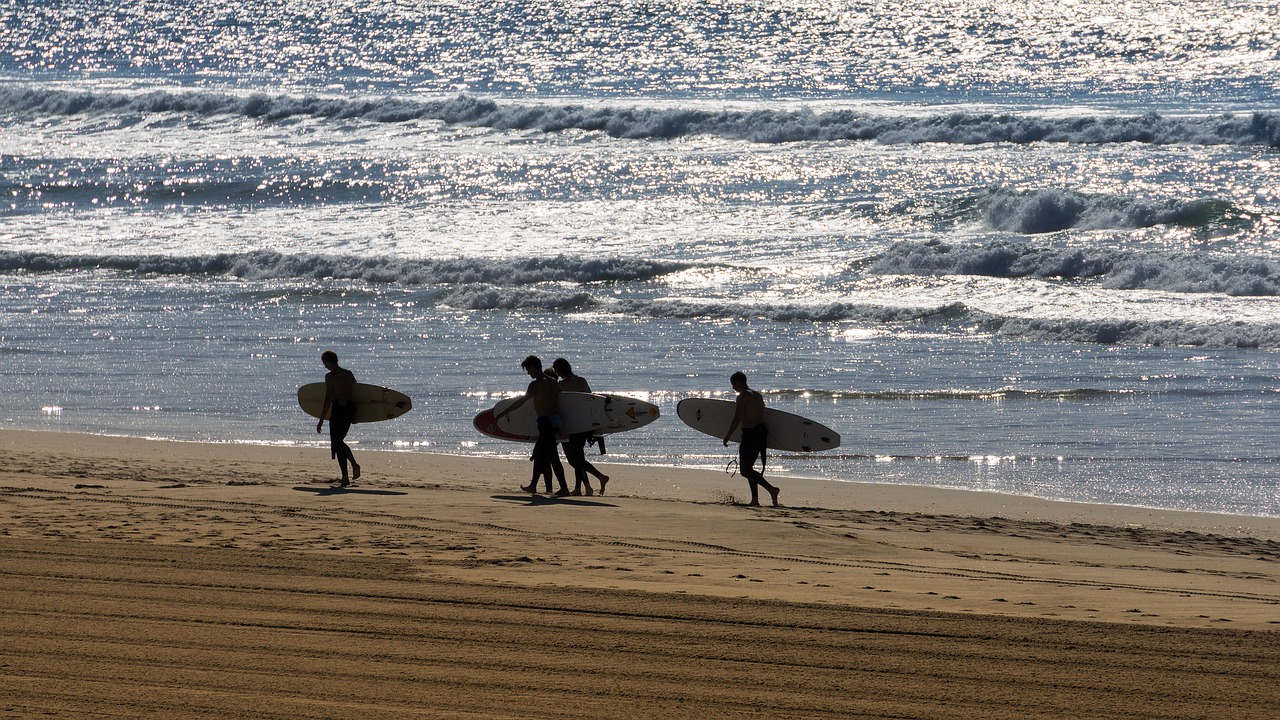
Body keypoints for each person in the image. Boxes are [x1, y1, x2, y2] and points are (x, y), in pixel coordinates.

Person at [496, 355, 569, 496]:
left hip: (545, 423)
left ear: (534, 368)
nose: (528, 373)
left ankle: (556, 487)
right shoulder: (554, 382)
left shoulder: (535, 385)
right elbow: (564, 400)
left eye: (528, 370)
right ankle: (536, 486)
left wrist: (505, 412)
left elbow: (521, 401)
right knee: (545, 455)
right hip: (555, 422)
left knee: (545, 455)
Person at [551, 358, 610, 496]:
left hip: (570, 425)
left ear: (558, 370)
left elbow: (559, 405)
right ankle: (592, 483)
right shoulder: (581, 381)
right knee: (577, 458)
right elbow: (591, 400)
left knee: (575, 459)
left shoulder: (561, 385)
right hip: (584, 424)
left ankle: (580, 488)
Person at [723, 371, 780, 507]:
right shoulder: (758, 395)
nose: (733, 388)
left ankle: (772, 489)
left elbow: (737, 418)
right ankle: (755, 500)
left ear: (739, 382)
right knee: (749, 468)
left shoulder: (742, 396)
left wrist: (728, 435)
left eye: (733, 384)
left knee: (745, 471)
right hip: (761, 432)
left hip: (750, 435)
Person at [316, 350, 361, 486]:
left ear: (329, 361)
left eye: (325, 363)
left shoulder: (330, 377)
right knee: (338, 442)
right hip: (350, 408)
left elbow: (328, 398)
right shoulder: (348, 373)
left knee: (337, 442)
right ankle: (346, 476)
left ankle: (353, 465)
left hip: (338, 409)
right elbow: (358, 393)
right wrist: (357, 414)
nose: (324, 366)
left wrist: (321, 419)